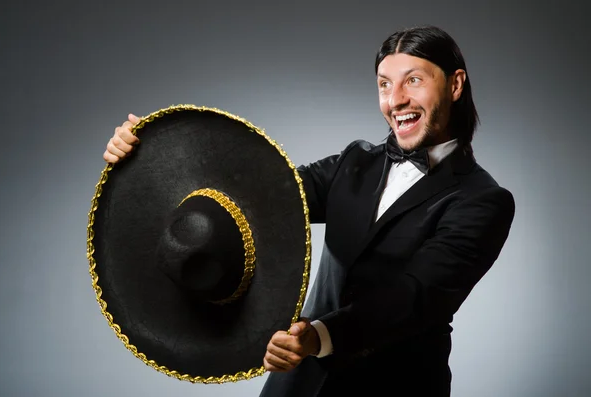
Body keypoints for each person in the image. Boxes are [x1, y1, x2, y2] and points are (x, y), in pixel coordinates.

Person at [103, 25, 515, 397]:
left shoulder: (483, 200)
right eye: (384, 85)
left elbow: (416, 297)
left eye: (413, 81)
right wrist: (147, 160)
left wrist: (319, 336)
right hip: (296, 384)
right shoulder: (354, 162)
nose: (396, 101)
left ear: (455, 84)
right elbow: (257, 195)